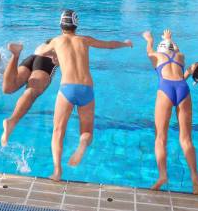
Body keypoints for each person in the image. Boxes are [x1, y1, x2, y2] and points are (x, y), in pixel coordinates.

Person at [40, 10, 132, 181]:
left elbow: (38, 52)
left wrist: (52, 53)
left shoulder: (56, 41)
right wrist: (125, 43)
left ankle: (57, 171)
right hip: (86, 88)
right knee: (87, 131)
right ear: (76, 25)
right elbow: (109, 45)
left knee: (58, 130)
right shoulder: (84, 40)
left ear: (61, 25)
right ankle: (82, 144)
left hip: (67, 88)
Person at [142, 30, 198, 195]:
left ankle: (162, 176)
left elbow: (149, 51)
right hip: (183, 88)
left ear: (160, 50)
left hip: (166, 89)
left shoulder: (156, 56)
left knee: (160, 137)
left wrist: (149, 39)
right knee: (186, 139)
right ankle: (195, 180)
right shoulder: (180, 56)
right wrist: (169, 39)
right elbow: (175, 49)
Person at [0, 40, 58, 147]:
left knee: (8, 88)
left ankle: (15, 55)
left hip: (32, 58)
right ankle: (12, 121)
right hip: (47, 62)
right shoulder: (68, 41)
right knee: (31, 92)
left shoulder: (52, 40)